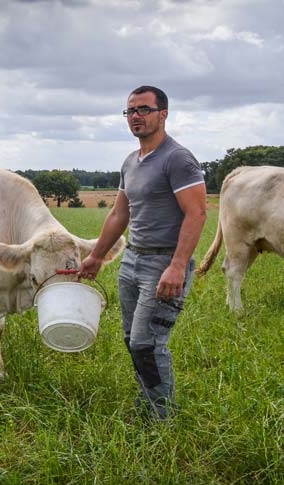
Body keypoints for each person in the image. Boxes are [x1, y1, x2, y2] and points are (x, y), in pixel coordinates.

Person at [79, 85, 207, 421]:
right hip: (132, 260)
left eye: (144, 110)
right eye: (130, 111)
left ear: (163, 114)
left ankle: (161, 418)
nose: (136, 116)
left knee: (147, 343)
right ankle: (149, 403)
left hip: (164, 263)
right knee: (131, 339)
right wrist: (96, 255)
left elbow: (197, 214)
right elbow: (120, 214)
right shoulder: (130, 161)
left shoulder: (177, 159)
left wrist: (177, 266)